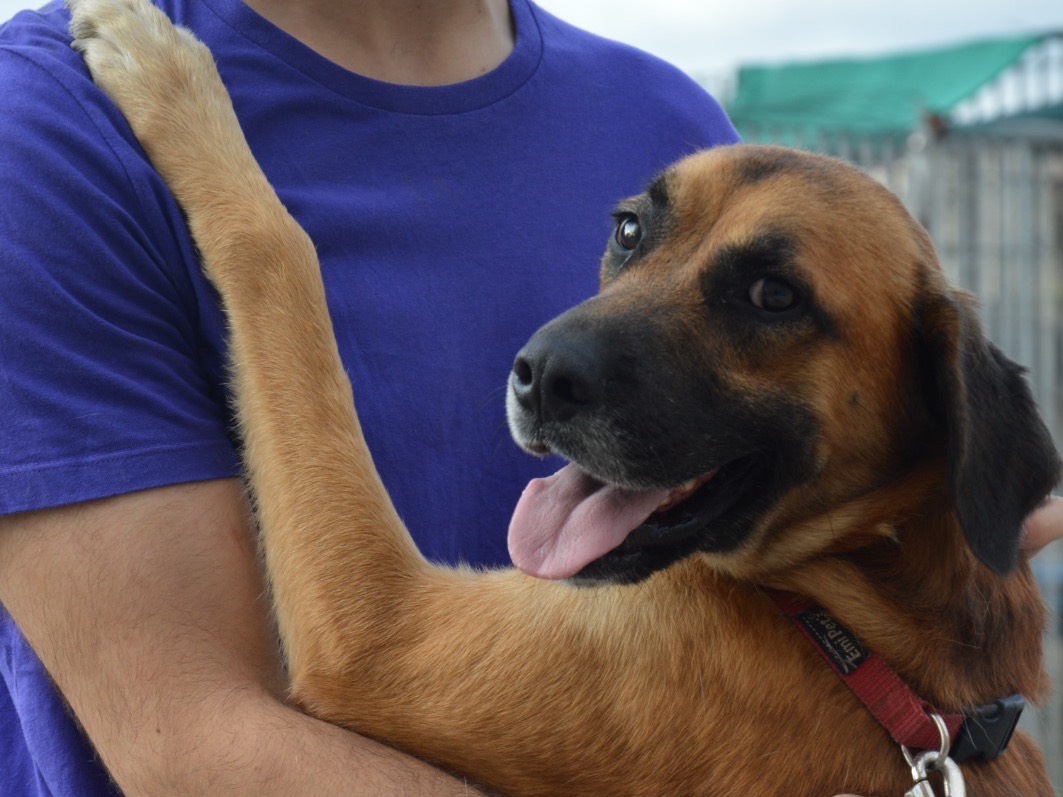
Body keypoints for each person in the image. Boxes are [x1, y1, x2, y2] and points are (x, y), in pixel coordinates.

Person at [0, 1, 1058, 796]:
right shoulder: (52, 127)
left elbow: (367, 652)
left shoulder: (661, 112)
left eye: (768, 296)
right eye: (633, 238)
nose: (560, 358)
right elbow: (190, 747)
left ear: (944, 418)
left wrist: (262, 248)